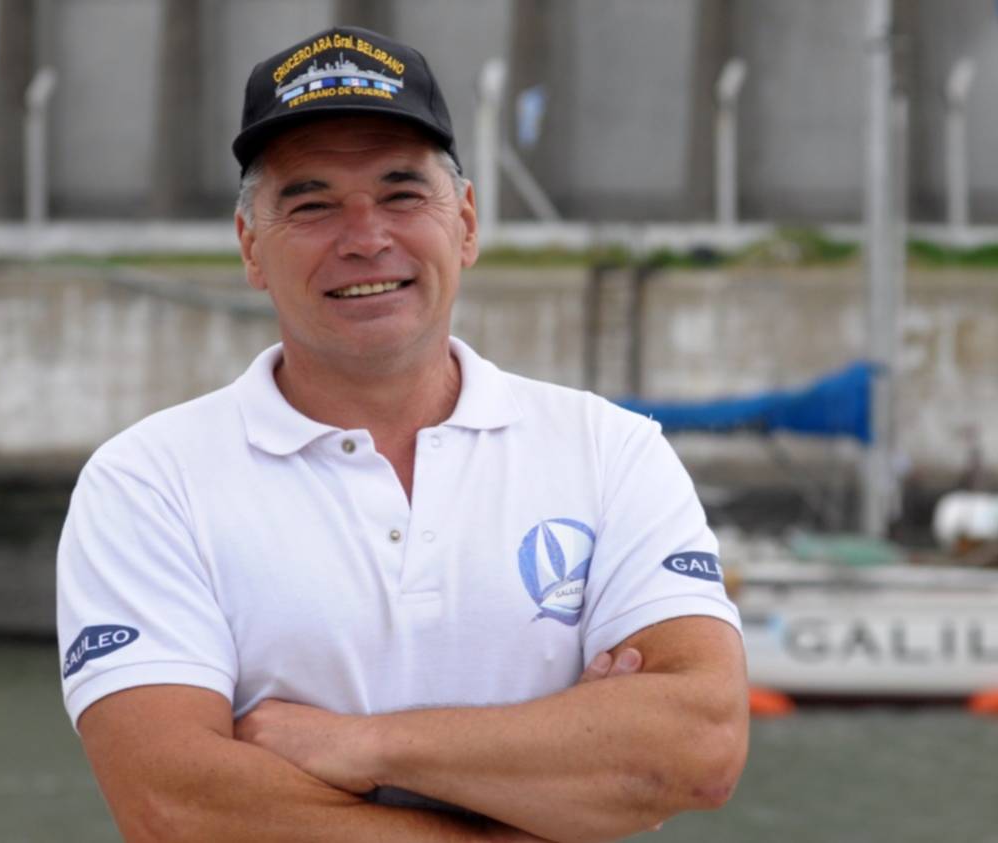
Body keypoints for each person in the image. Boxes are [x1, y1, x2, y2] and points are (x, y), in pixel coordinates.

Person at [57, 25, 748, 843]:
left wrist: (361, 744)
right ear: (250, 247)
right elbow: (175, 806)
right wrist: (559, 773)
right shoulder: (148, 483)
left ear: (466, 223)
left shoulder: (610, 451)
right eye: (311, 205)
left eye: (402, 195)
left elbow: (697, 745)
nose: (365, 237)